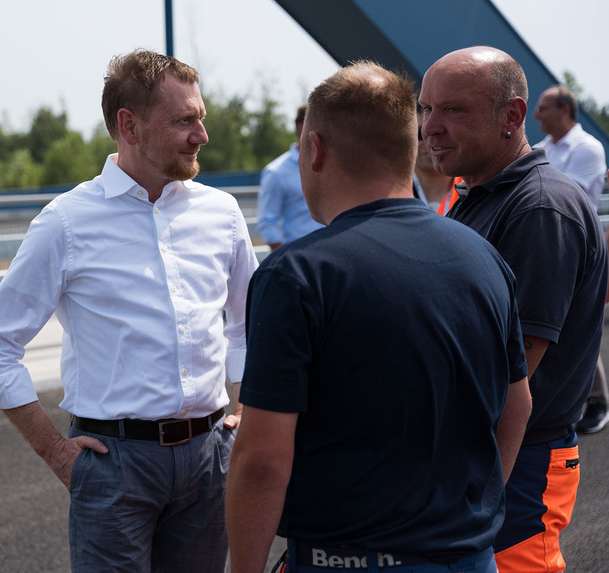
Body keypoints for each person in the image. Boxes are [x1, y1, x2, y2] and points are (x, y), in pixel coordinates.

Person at [226, 61, 531, 573]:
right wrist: (468, 520)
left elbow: (261, 460)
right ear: (408, 148)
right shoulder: (483, 257)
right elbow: (517, 404)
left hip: (346, 559)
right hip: (469, 556)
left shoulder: (295, 276)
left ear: (314, 150)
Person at [0, 49, 257, 572]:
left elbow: (247, 324)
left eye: (201, 118)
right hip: (114, 466)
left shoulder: (222, 213)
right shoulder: (67, 222)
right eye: (184, 120)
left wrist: (244, 408)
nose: (202, 135)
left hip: (210, 457)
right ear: (129, 125)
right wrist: (56, 453)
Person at [420, 46, 608, 573]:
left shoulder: (540, 207)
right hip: (477, 452)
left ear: (512, 116)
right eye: (426, 108)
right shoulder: (478, 193)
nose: (429, 127)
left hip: (516, 461)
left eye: (453, 110)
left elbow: (510, 367)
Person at [533, 84, 609, 434]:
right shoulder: (542, 148)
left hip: (577, 247)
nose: (536, 115)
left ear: (564, 110)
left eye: (543, 107)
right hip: (543, 244)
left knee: (574, 323)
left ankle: (598, 401)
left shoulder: (587, 148)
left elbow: (562, 194)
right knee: (550, 322)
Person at [256, 104, 323, 249]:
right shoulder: (276, 172)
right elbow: (267, 222)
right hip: (301, 255)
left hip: (332, 254)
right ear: (301, 128)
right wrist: (287, 259)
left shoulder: (331, 166)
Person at [413, 106, 462, 215]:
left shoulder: (471, 188)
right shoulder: (392, 191)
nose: (429, 142)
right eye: (420, 134)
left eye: (439, 133)